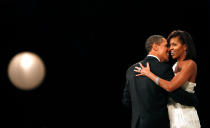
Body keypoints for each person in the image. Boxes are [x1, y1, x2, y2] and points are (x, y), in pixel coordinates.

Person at [122, 34, 199, 128]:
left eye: (173, 45)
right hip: (159, 123)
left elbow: (126, 101)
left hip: (137, 123)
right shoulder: (163, 68)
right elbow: (177, 95)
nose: (169, 49)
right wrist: (194, 99)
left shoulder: (131, 69)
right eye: (167, 45)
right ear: (155, 46)